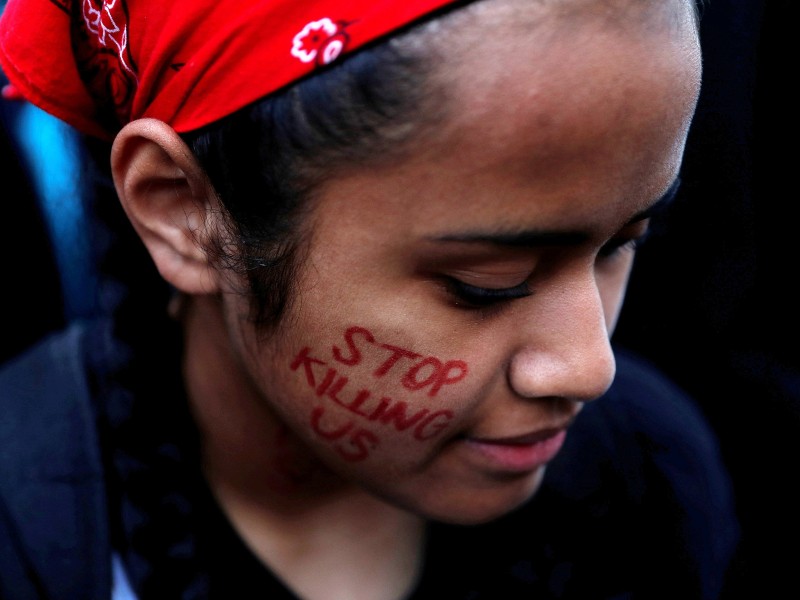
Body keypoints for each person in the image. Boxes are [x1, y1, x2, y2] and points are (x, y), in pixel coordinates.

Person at [0, 0, 739, 598]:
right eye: (485, 285)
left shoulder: (649, 477)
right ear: (186, 211)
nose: (588, 367)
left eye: (622, 244)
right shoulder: (35, 537)